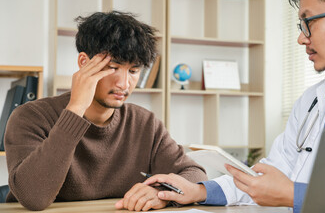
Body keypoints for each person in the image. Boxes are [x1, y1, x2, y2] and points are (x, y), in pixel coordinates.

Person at [142, 0, 325, 212]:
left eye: (309, 22)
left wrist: (292, 194)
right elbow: (275, 170)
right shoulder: (311, 101)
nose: (301, 38)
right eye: (301, 26)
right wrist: (198, 190)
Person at [4, 11, 207, 211]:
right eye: (113, 67)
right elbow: (33, 198)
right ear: (84, 63)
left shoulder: (144, 123)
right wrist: (75, 109)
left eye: (134, 71)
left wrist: (160, 193)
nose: (124, 83)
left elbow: (194, 174)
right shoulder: (30, 117)